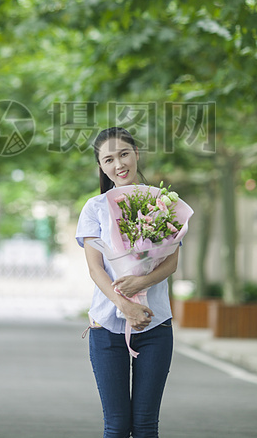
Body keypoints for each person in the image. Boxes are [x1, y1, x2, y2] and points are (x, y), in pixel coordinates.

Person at [76, 126, 180, 438]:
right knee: (117, 427)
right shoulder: (94, 209)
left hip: (155, 326)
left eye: (124, 154)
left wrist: (140, 283)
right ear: (101, 167)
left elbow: (172, 262)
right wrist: (125, 304)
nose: (118, 164)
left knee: (147, 427)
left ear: (136, 155)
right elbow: (96, 270)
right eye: (108, 159)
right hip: (106, 329)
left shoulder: (162, 203)